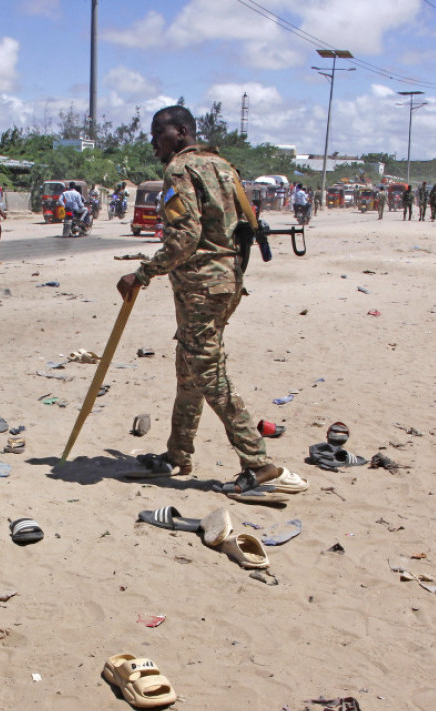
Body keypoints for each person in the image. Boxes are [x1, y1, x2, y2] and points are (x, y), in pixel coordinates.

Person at [118, 105, 296, 500]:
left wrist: (142, 274)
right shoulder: (222, 165)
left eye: (157, 133)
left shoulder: (180, 170)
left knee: (209, 374)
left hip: (201, 286)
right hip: (226, 282)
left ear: (180, 132)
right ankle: (178, 454)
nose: (152, 142)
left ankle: (256, 462)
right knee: (190, 369)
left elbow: (185, 237)